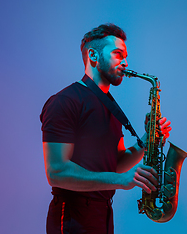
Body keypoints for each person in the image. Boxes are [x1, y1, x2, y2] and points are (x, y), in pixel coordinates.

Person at [40, 23, 172, 234]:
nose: (125, 62)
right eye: (118, 54)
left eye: (125, 56)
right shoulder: (64, 102)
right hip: (73, 215)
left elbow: (116, 164)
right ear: (93, 55)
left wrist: (150, 140)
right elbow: (57, 172)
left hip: (103, 213)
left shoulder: (109, 106)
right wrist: (122, 181)